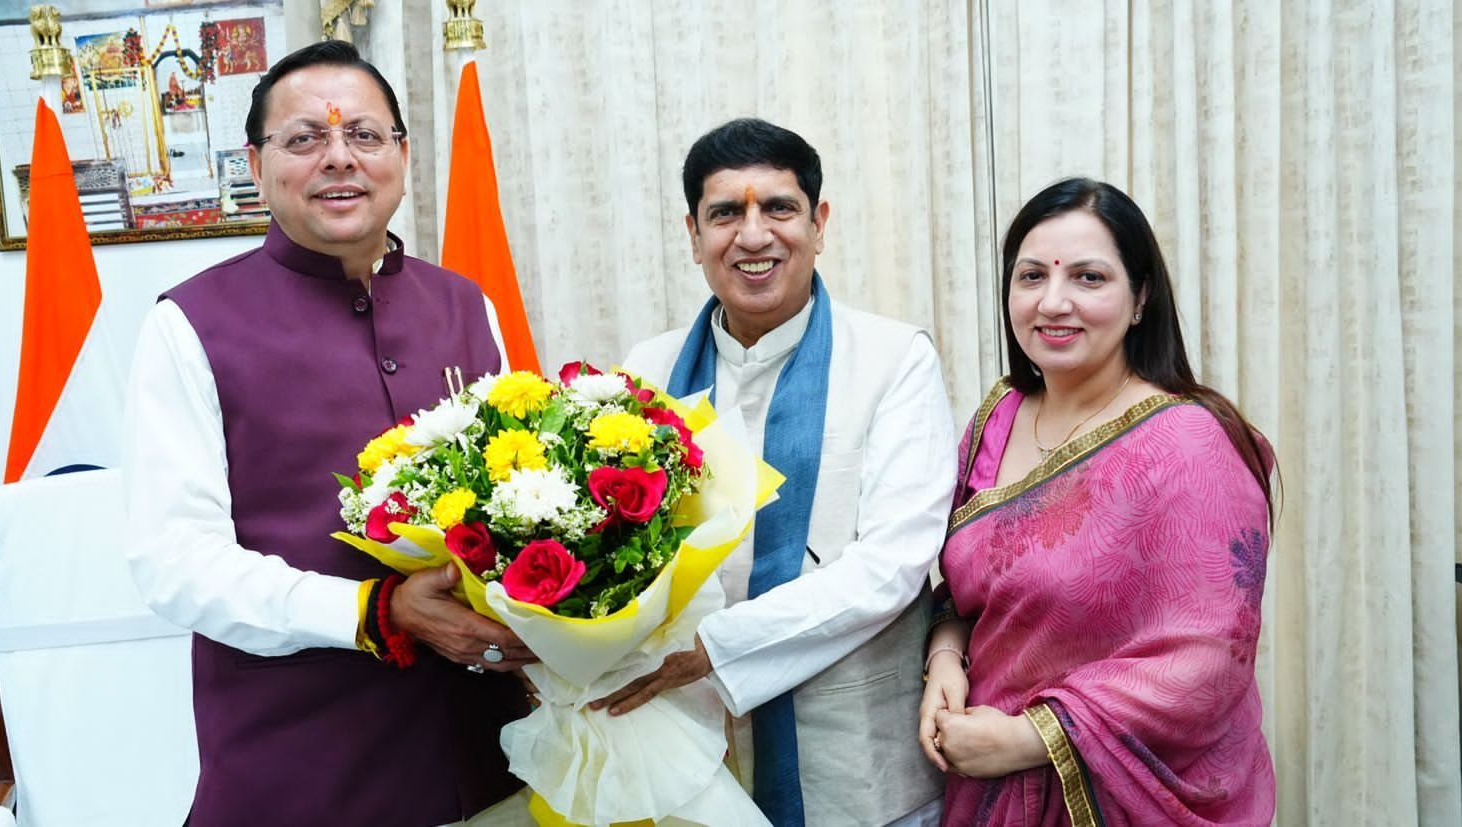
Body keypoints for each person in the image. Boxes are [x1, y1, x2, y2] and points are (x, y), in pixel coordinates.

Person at [124, 41, 534, 826]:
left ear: (403, 156)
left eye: (365, 135)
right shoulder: (192, 325)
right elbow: (176, 562)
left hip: (490, 762)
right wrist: (373, 611)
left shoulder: (466, 305)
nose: (339, 157)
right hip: (298, 774)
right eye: (305, 138)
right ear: (256, 164)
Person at [597, 118, 958, 826]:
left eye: (779, 208)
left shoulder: (894, 359)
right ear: (694, 234)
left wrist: (716, 646)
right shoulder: (646, 371)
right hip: (682, 750)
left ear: (819, 224)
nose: (753, 235)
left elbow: (893, 563)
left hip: (854, 768)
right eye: (725, 214)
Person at [918, 177, 1277, 825]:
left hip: (1112, 794)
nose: (1053, 302)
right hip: (983, 779)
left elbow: (1209, 658)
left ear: (1141, 298)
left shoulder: (1189, 444)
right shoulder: (997, 418)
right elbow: (969, 590)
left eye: (1088, 278)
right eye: (1032, 276)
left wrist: (1030, 737)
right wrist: (946, 657)